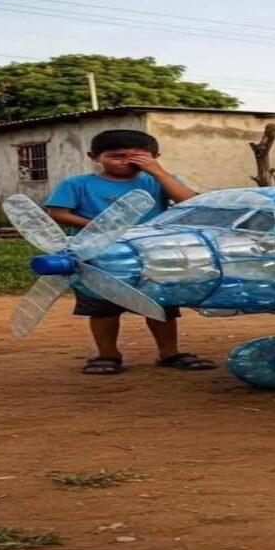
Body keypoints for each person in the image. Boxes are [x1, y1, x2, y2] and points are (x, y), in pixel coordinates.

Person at [44, 129, 216, 375]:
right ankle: (108, 354)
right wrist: (102, 227)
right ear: (94, 157)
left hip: (152, 255)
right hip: (97, 256)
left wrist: (157, 171)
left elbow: (190, 204)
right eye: (117, 156)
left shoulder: (157, 181)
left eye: (138, 157)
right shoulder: (77, 184)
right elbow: (58, 213)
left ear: (155, 157)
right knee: (103, 307)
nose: (127, 162)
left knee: (160, 304)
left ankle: (170, 353)